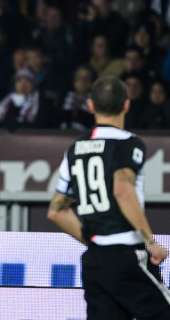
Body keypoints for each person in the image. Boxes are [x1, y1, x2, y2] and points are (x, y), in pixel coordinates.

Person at [48, 76, 170, 320]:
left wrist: (97, 241)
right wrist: (150, 240)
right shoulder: (128, 144)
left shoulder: (76, 149)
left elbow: (56, 211)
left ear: (90, 106)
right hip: (128, 255)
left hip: (94, 261)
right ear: (127, 104)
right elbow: (122, 189)